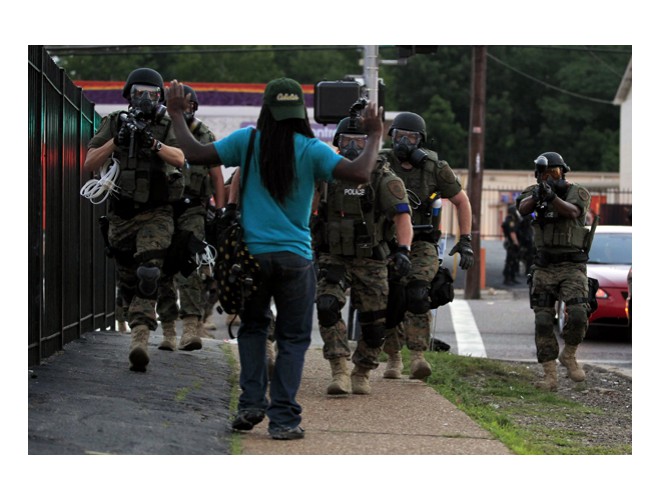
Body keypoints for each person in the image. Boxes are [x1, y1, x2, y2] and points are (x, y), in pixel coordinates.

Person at [166, 77, 384, 440]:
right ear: (300, 112)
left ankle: (251, 404)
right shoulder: (312, 149)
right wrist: (375, 135)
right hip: (296, 259)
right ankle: (283, 419)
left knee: (253, 329)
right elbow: (360, 173)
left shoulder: (247, 141)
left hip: (250, 258)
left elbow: (196, 154)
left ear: (266, 109)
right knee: (293, 339)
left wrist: (176, 114)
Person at [83, 67, 185, 372]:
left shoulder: (167, 124)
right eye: (139, 93)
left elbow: (180, 158)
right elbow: (89, 163)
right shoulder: (114, 121)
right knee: (128, 283)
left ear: (160, 97)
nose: (144, 99)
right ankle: (137, 328)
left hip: (156, 212)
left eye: (151, 94)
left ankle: (140, 340)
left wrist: (151, 143)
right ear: (129, 95)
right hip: (122, 215)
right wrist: (117, 140)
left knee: (149, 272)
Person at [313, 116, 413, 396]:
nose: (354, 147)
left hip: (371, 259)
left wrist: (403, 250)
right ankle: (339, 368)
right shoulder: (326, 175)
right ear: (338, 143)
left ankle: (362, 371)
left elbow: (402, 218)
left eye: (360, 141)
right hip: (334, 256)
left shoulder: (383, 177)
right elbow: (310, 210)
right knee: (327, 304)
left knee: (373, 323)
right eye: (347, 141)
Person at [379, 112, 475, 380]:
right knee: (390, 297)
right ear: (392, 137)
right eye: (399, 136)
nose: (404, 143)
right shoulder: (381, 163)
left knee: (418, 292)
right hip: (388, 241)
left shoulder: (435, 168)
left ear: (420, 140)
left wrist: (465, 241)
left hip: (422, 242)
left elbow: (461, 201)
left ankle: (418, 357)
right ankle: (394, 357)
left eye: (410, 138)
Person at [156, 84, 225, 351]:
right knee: (160, 268)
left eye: (188, 105)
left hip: (193, 209)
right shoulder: (161, 131)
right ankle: (169, 329)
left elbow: (216, 176)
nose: (184, 110)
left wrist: (220, 213)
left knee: (191, 267)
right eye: (179, 105)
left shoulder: (203, 135)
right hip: (161, 209)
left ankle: (192, 327)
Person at [517, 152, 592, 391]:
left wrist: (552, 198)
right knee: (542, 320)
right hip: (545, 265)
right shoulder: (533, 190)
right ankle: (549, 375)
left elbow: (572, 212)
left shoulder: (576, 192)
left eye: (555, 173)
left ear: (564, 173)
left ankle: (569, 354)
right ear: (538, 175)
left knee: (579, 312)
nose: (550, 178)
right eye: (545, 174)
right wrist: (540, 195)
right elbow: (523, 209)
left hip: (571, 265)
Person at [501, 204, 521, 286]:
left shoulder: (509, 219)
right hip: (511, 243)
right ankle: (507, 279)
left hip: (510, 242)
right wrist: (516, 241)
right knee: (510, 261)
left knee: (513, 260)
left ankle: (512, 278)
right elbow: (512, 232)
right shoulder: (510, 220)